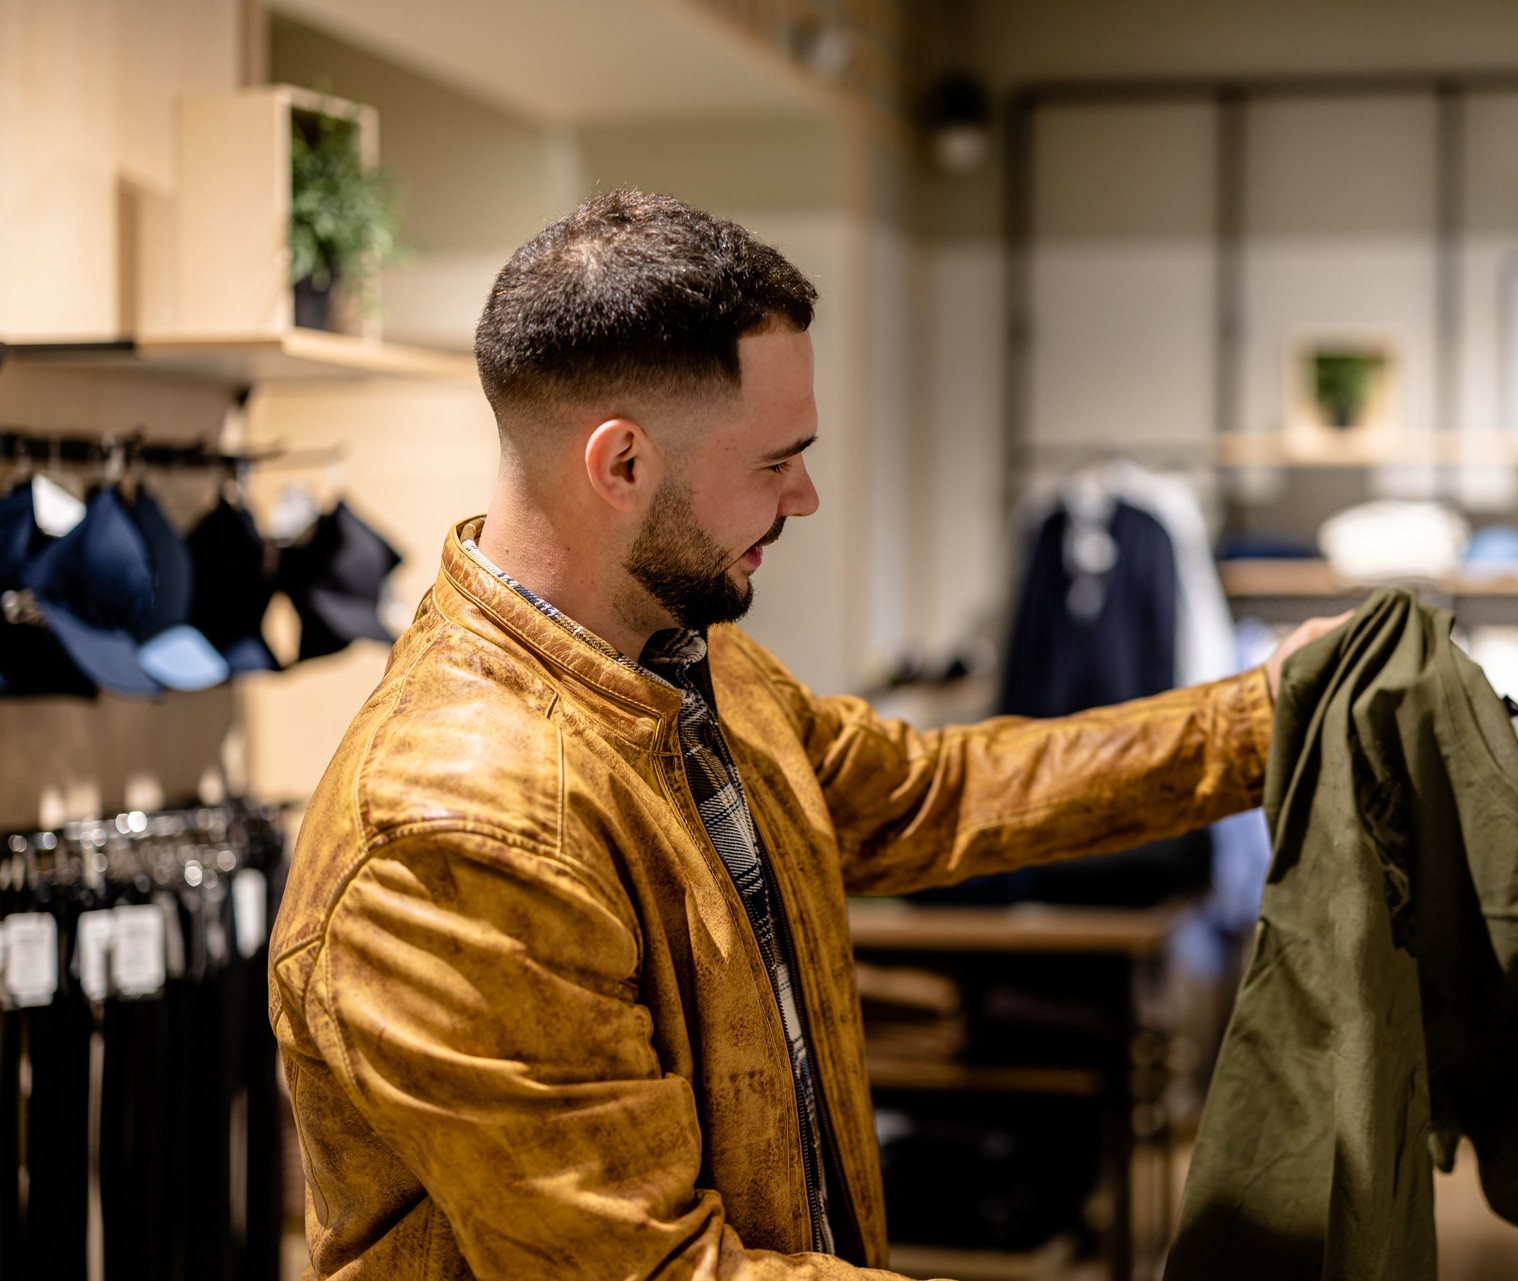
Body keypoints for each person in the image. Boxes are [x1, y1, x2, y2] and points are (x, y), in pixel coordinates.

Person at [267, 190, 1346, 1280]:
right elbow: (654, 1271)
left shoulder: (690, 661)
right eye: (775, 461)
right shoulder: (453, 839)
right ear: (623, 466)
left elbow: (936, 792)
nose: (808, 495)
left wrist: (1264, 712)